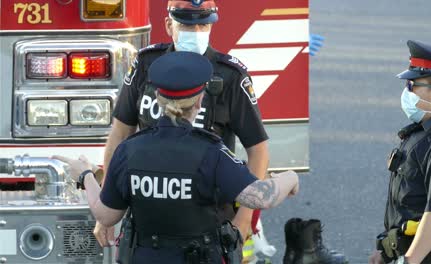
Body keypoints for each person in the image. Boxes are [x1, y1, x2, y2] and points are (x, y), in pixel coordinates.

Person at [53, 51, 298, 264]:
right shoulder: (212, 153)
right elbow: (262, 197)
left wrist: (85, 175)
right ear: (200, 101)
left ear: (156, 99)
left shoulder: (129, 151)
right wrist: (290, 177)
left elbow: (106, 215)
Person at [100, 0, 269, 249]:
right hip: (148, 212)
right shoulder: (147, 65)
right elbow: (120, 133)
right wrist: (108, 203)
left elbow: (258, 149)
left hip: (207, 217)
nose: (196, 33)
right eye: (187, 25)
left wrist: (244, 219)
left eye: (203, 25)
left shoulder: (230, 76)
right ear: (169, 25)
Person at [369, 40, 431, 264]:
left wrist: (409, 261)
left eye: (413, 86)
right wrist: (386, 251)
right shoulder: (425, 131)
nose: (407, 92)